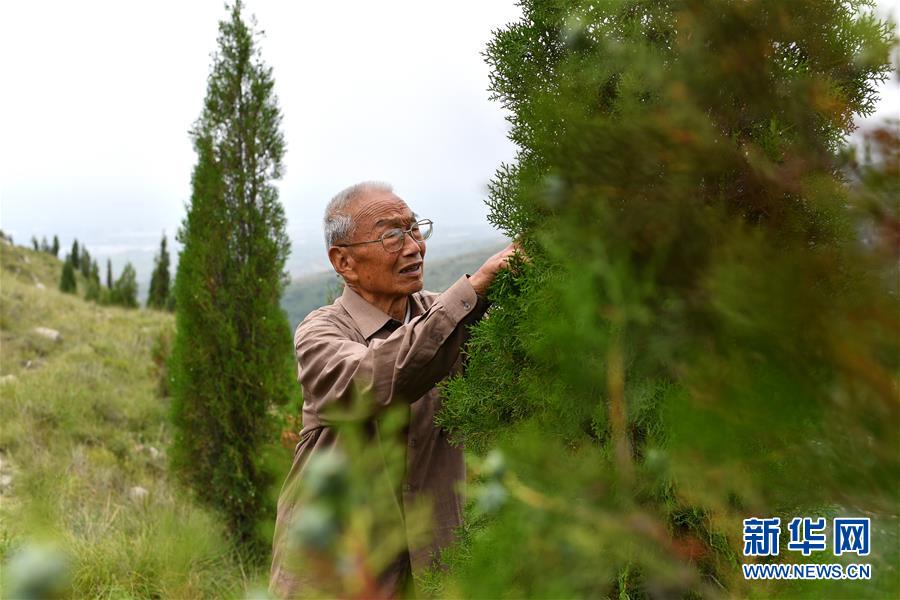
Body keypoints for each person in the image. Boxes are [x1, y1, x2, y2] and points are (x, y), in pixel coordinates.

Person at [269, 181, 523, 598]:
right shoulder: (319, 333)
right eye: (392, 235)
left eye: (415, 229)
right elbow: (374, 378)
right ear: (344, 262)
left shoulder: (448, 316)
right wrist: (473, 290)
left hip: (434, 570)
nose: (413, 247)